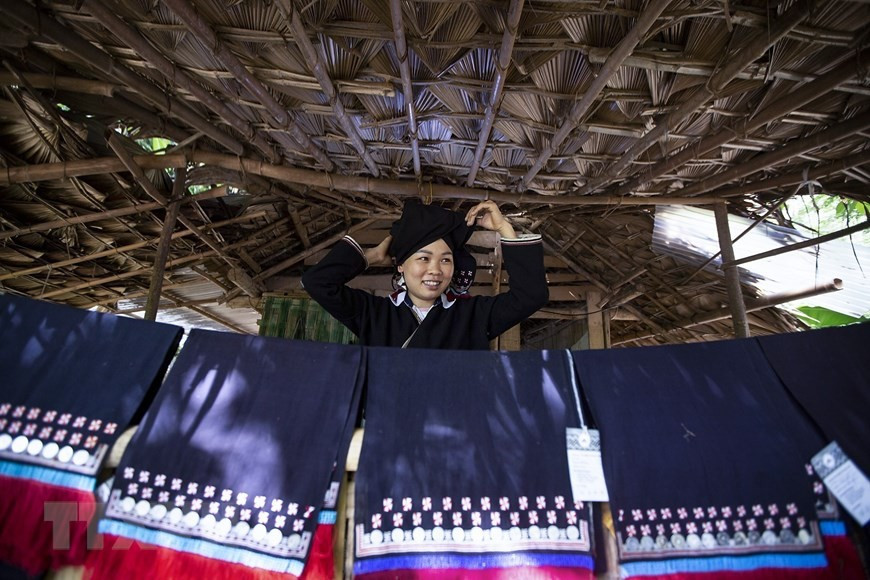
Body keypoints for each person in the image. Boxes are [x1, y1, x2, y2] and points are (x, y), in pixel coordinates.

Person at [301, 199, 548, 349]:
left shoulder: (473, 315)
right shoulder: (373, 314)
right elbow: (318, 282)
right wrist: (371, 256)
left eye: (446, 260)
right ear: (401, 265)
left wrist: (504, 228)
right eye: (423, 258)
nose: (435, 270)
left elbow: (531, 296)